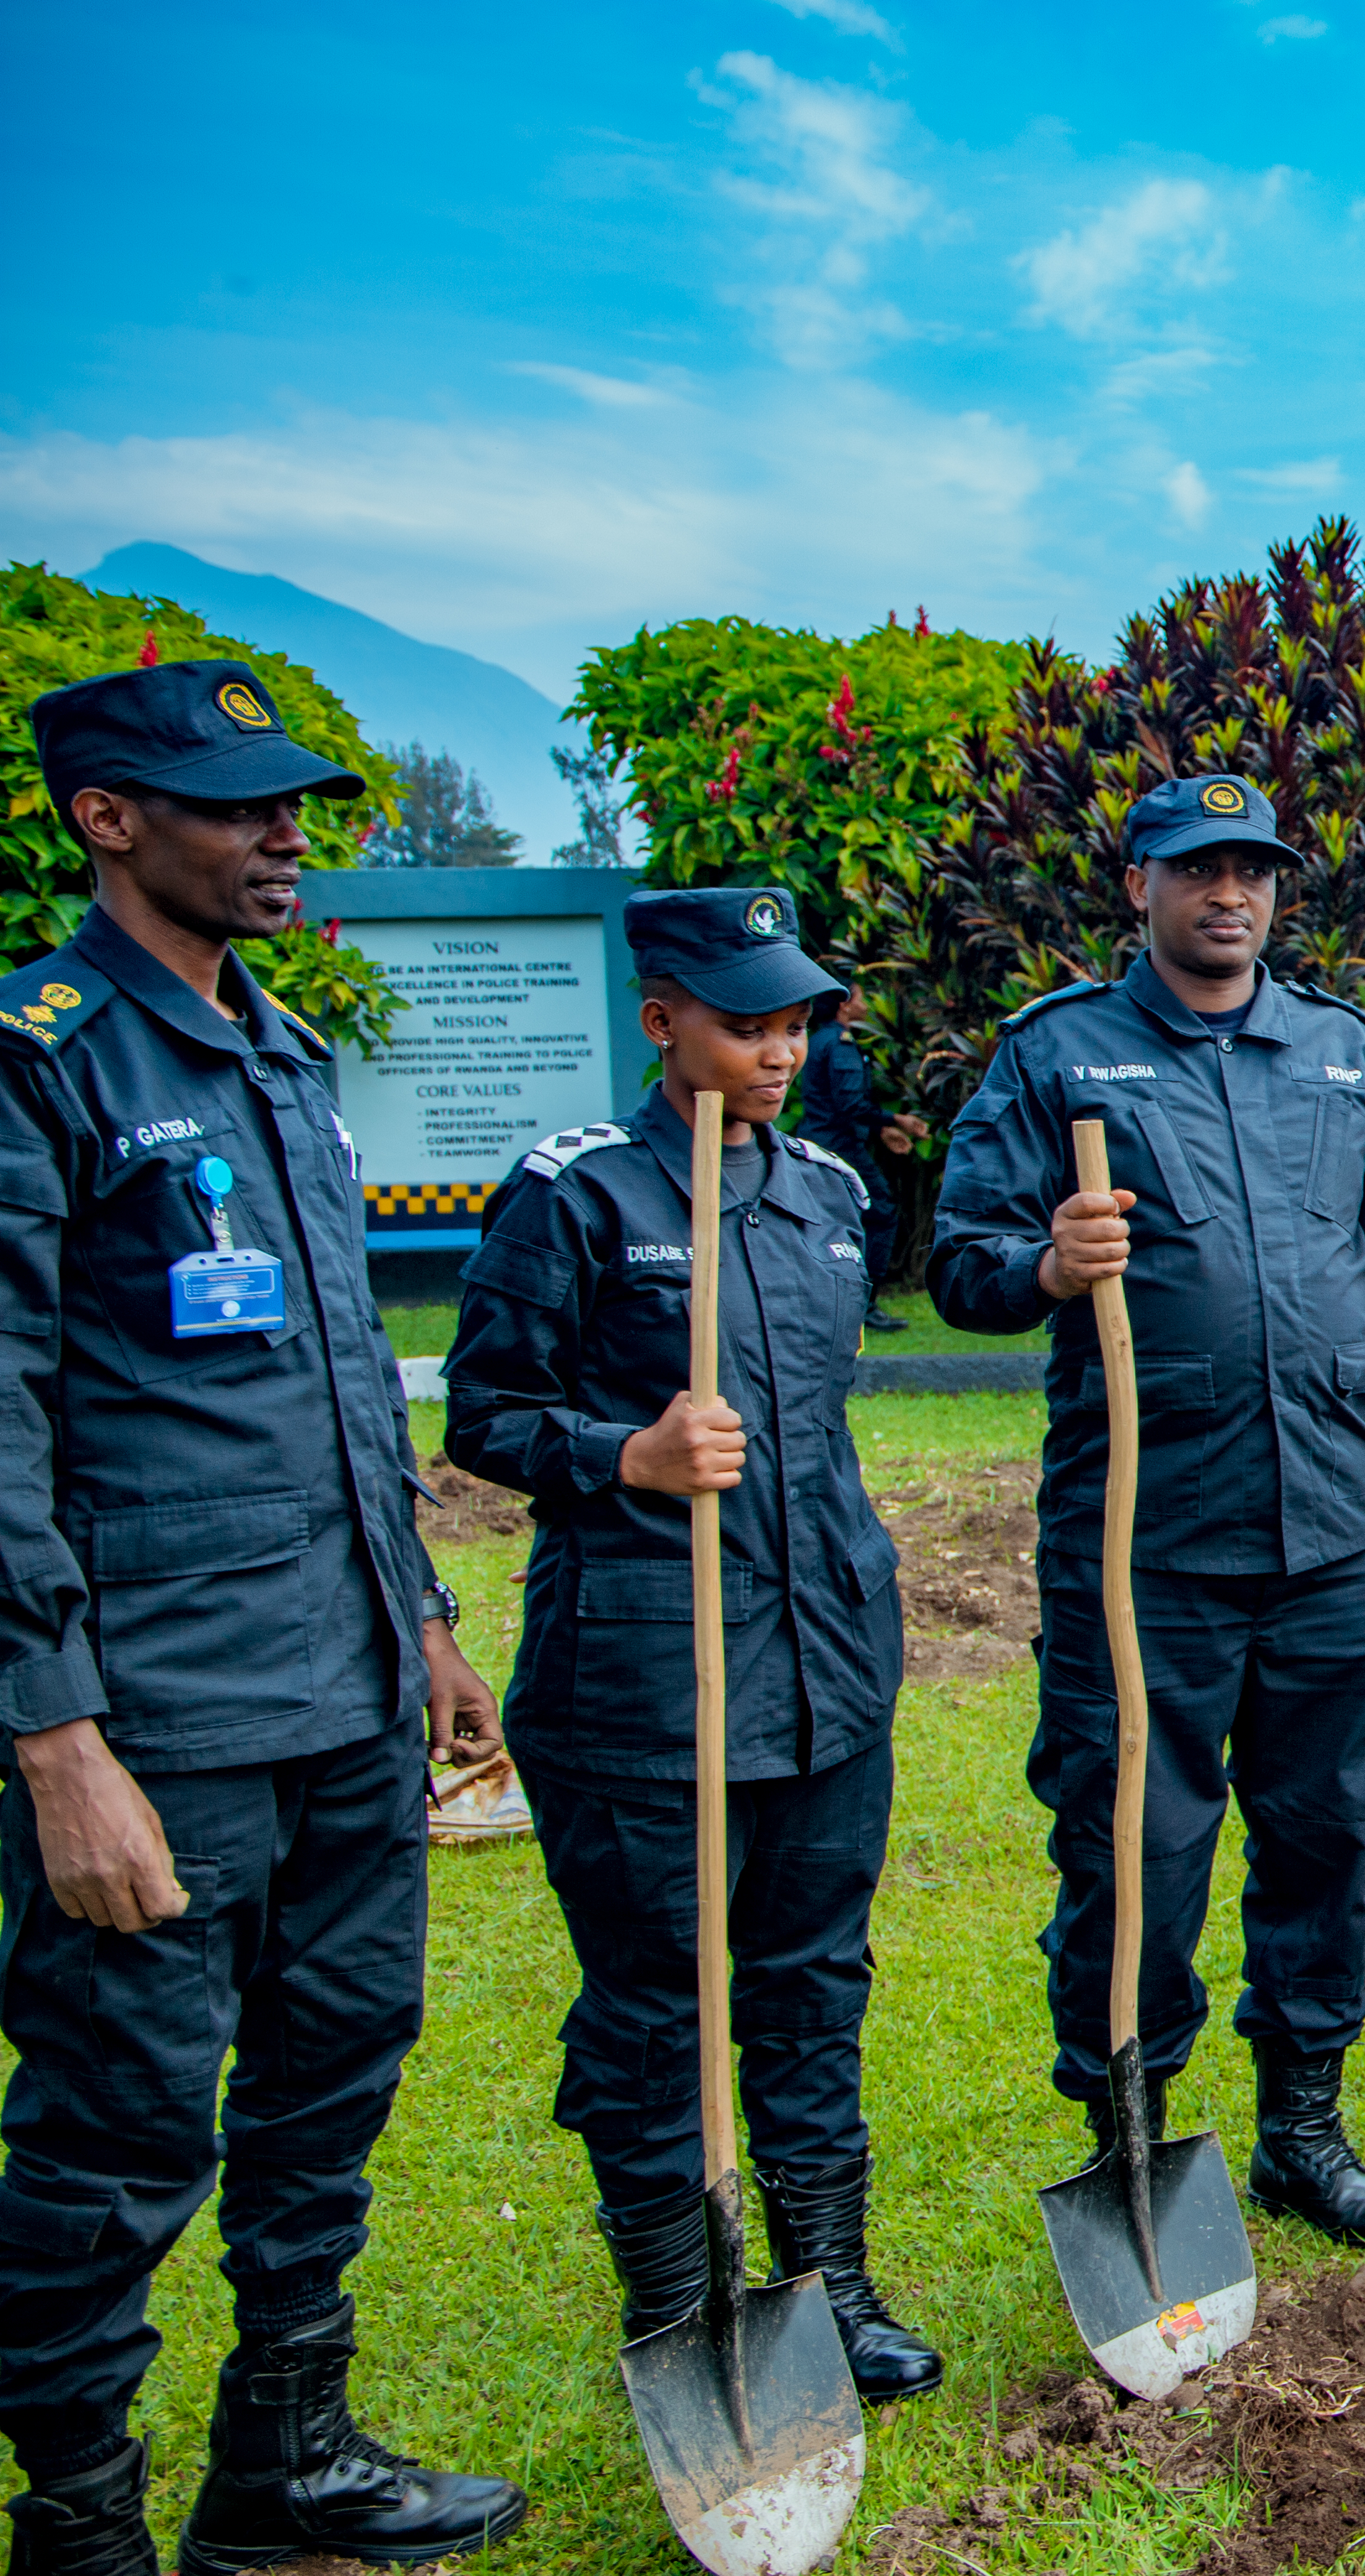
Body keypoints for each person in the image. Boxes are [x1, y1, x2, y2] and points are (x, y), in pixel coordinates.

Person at [0, 662, 526, 2575]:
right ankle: (74, 2527)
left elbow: (323, 1384)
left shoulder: (284, 1058)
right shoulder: (43, 1058)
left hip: (343, 1689)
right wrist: (58, 1746)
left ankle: (283, 2463)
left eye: (292, 801)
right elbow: (1, 1423)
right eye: (231, 803)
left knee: (331, 2086)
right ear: (108, 819)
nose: (282, 831)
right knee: (117, 2135)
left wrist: (432, 1629)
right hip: (159, 1723)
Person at [930, 775, 1365, 2248]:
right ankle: (1137, 2141)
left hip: (1333, 1523)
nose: (1231, 895)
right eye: (1199, 870)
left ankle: (1303, 2129)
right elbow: (958, 1265)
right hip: (1142, 1540)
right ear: (1141, 887)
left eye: (1255, 871)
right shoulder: (1060, 1056)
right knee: (1134, 1849)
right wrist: (1041, 1262)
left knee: (1328, 1832)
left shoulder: (1345, 1056)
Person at [440, 886, 940, 2401]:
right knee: (659, 2003)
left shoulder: (825, 1196)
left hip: (823, 1668)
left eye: (795, 1022)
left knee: (811, 1979)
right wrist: (621, 1455)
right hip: (647, 1679)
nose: (779, 1049)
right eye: (745, 1022)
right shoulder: (577, 1195)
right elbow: (482, 1412)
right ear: (662, 1021)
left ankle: (827, 2281)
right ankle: (683, 2300)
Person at [794, 999, 924, 1333]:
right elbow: (849, 1102)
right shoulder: (841, 1044)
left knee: (825, 1222)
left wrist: (882, 1130)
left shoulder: (820, 1038)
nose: (867, 1002)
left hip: (820, 1142)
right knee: (879, 1213)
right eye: (860, 995)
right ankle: (863, 1305)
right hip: (839, 1146)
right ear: (843, 1005)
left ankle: (830, 1303)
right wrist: (898, 1120)